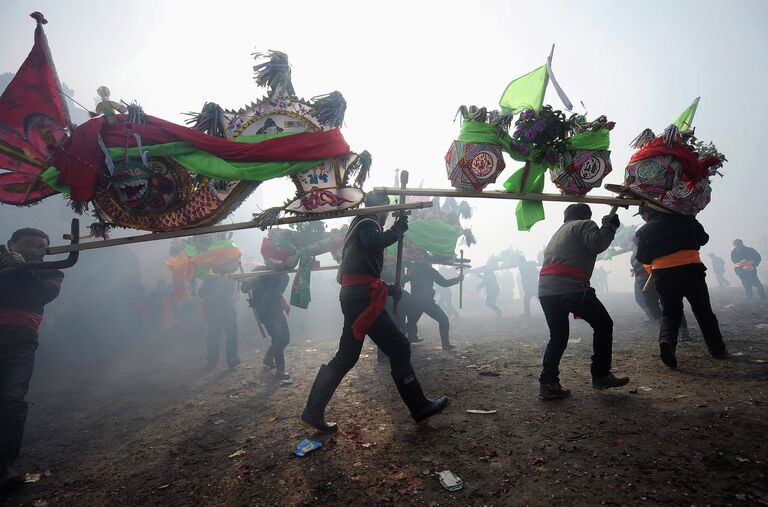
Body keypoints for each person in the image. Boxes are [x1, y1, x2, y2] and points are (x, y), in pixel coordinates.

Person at [300, 192, 448, 433]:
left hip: (355, 296)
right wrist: (397, 230)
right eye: (387, 210)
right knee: (399, 347)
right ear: (380, 208)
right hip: (362, 299)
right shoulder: (367, 221)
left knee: (347, 356)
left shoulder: (359, 224)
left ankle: (312, 411)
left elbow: (363, 270)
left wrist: (389, 289)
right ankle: (419, 406)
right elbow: (373, 243)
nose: (388, 215)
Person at [537, 204, 630, 400]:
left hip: (547, 290)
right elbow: (597, 244)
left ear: (566, 217)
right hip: (571, 288)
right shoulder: (585, 224)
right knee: (604, 324)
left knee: (558, 337)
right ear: (586, 215)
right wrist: (609, 226)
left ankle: (548, 383)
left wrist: (606, 226)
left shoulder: (559, 232)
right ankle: (601, 374)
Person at [0, 229, 64, 492]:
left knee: (12, 403)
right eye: (28, 245)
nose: (34, 251)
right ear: (12, 244)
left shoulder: (51, 273)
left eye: (40, 248)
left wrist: (23, 269)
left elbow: (42, 295)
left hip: (20, 346)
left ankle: (2, 465)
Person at [636, 205, 728, 368]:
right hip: (692, 269)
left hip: (663, 274)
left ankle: (667, 341)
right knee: (703, 310)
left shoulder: (644, 231)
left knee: (671, 313)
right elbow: (703, 239)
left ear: (646, 214)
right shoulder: (686, 218)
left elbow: (643, 257)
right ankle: (717, 350)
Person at [242, 272, 292, 385]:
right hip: (265, 310)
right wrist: (246, 283)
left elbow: (278, 292)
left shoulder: (284, 275)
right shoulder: (261, 271)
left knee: (285, 339)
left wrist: (281, 301)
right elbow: (245, 288)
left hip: (277, 309)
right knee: (278, 338)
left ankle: (268, 357)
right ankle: (280, 370)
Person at [404, 261, 463, 350]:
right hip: (426, 302)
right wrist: (457, 279)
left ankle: (397, 340)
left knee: (410, 323)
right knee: (443, 320)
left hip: (415, 301)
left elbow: (404, 273)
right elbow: (444, 283)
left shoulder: (412, 268)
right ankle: (445, 344)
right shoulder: (429, 270)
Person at [198, 262, 241, 369]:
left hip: (227, 309)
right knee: (213, 335)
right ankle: (212, 360)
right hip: (214, 311)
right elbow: (202, 293)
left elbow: (232, 292)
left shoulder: (231, 277)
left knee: (231, 334)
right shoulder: (211, 279)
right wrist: (209, 297)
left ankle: (232, 358)